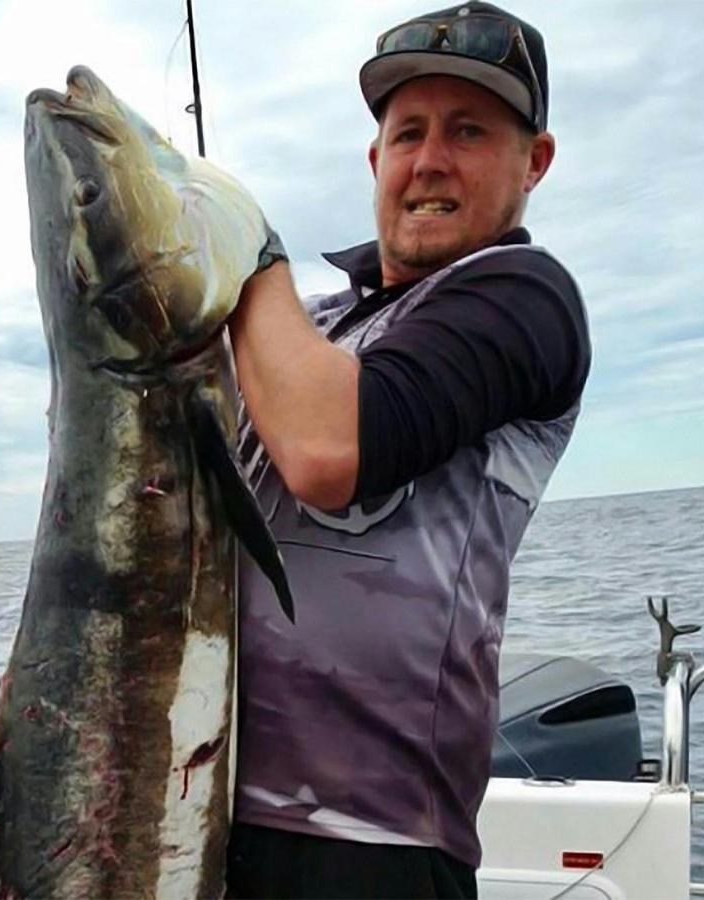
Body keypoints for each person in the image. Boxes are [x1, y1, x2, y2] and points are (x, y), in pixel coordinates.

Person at [224, 3, 591, 898]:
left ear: (535, 161)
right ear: (375, 159)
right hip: (197, 811)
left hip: (373, 849)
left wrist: (242, 247)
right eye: (408, 133)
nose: (429, 161)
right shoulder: (309, 325)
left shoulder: (526, 298)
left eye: (468, 131)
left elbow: (328, 449)